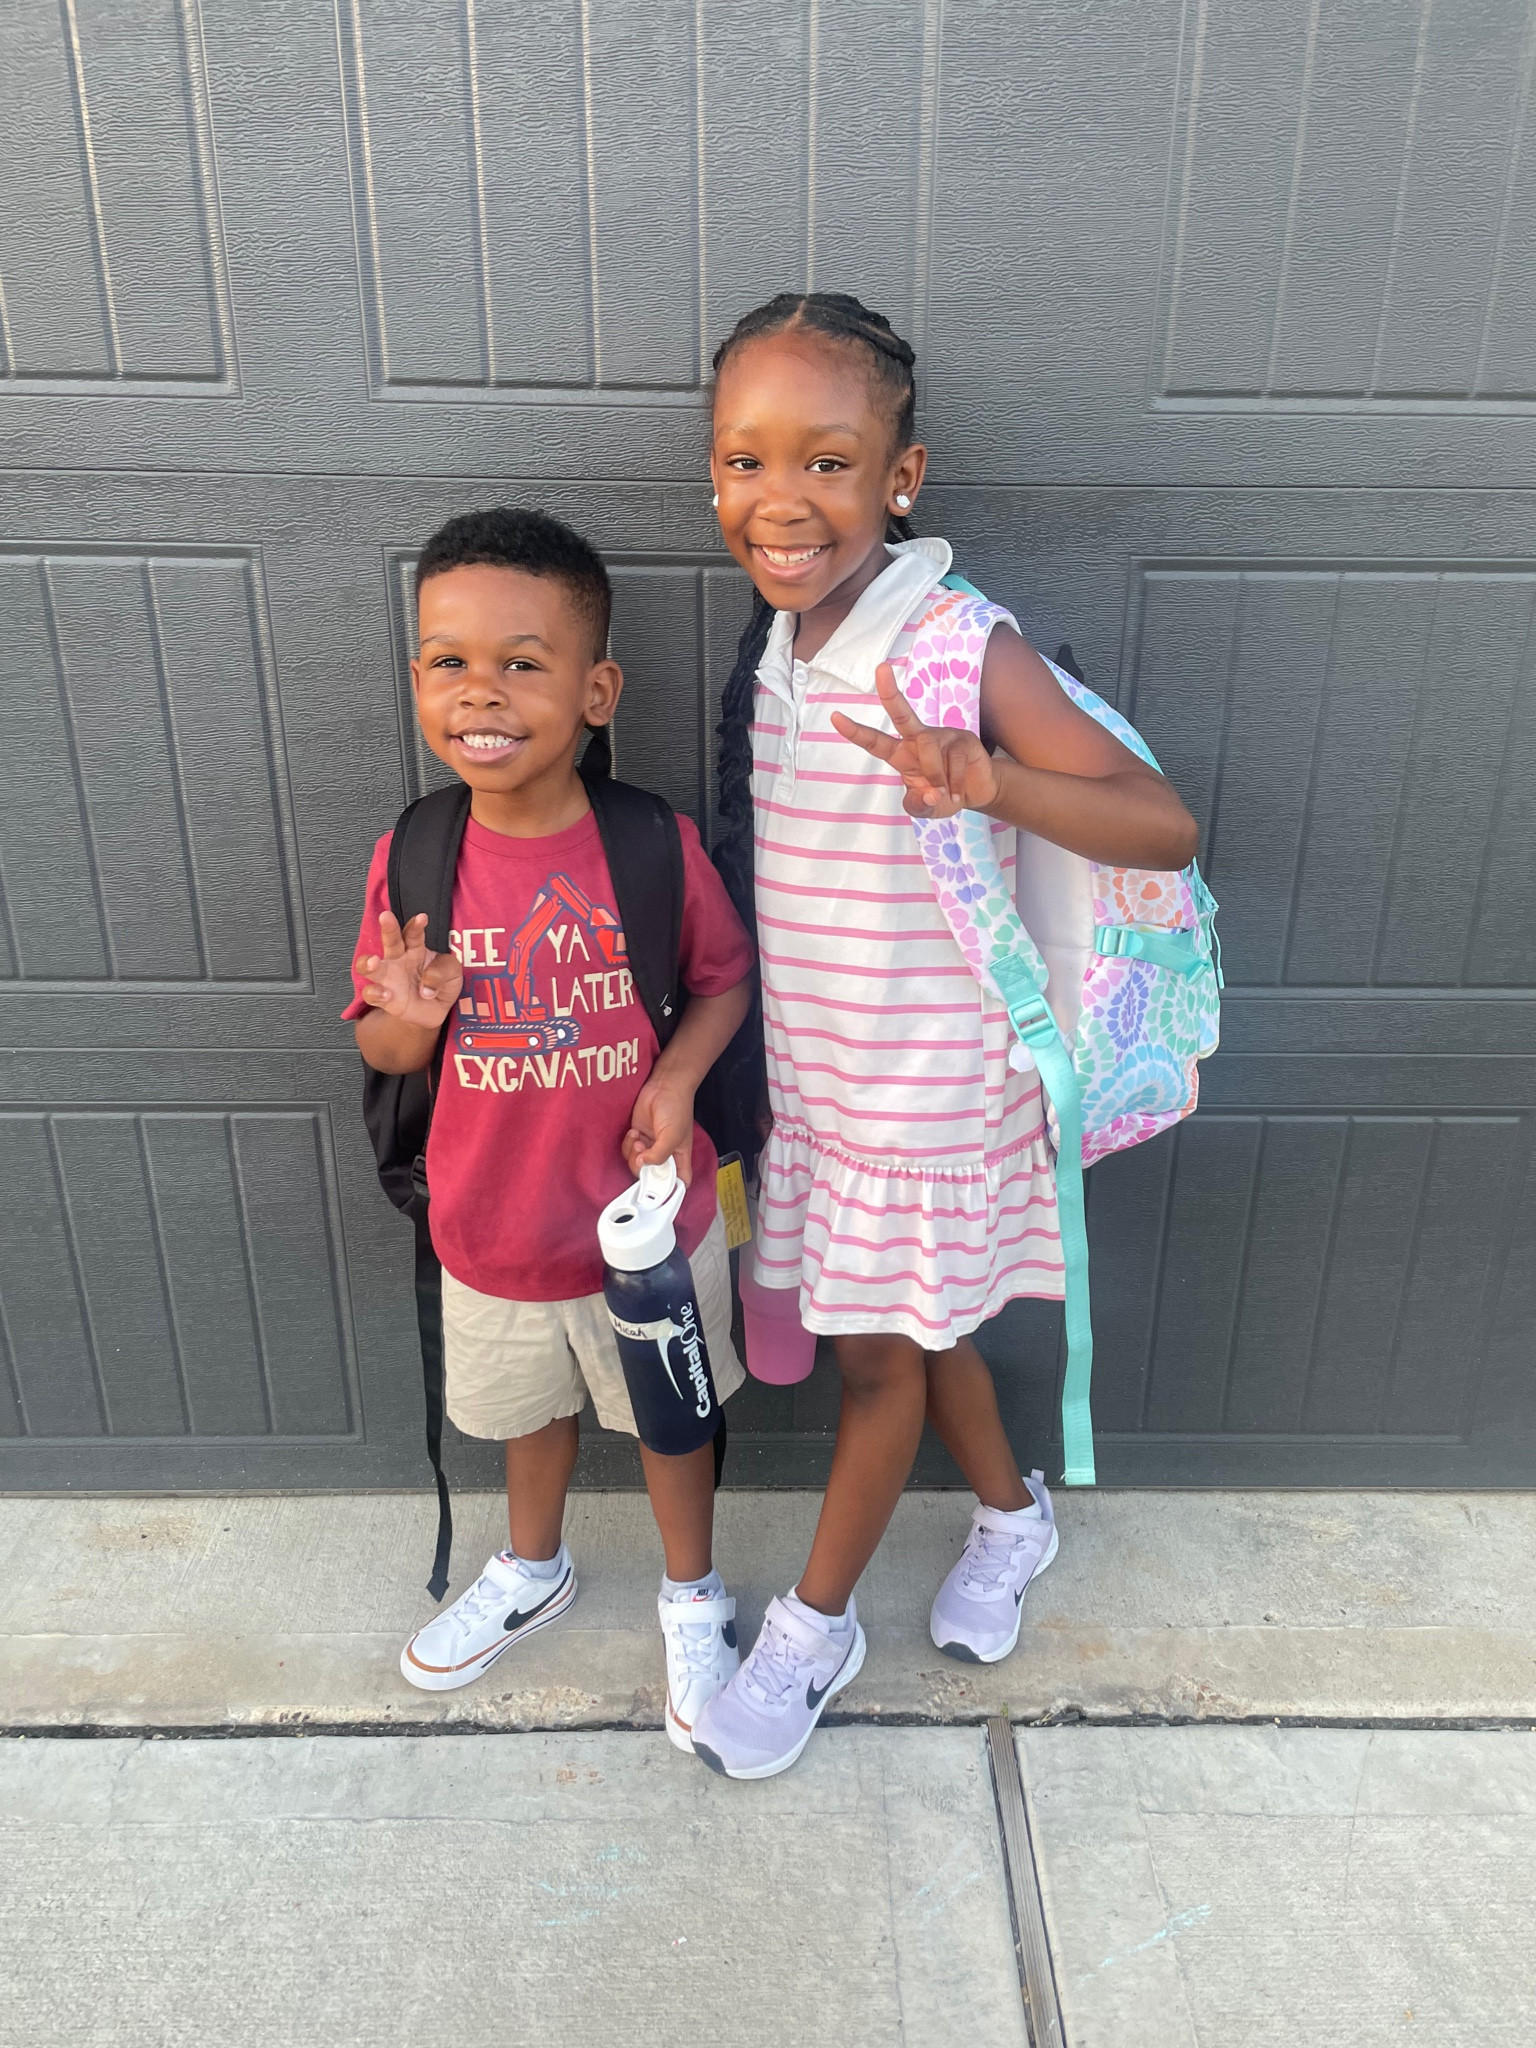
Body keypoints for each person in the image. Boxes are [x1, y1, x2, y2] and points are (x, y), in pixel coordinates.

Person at [691, 293, 1199, 1780]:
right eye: (743, 461)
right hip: (835, 1088)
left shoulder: (954, 641)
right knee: (935, 1323)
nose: (781, 501)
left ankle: (813, 1628)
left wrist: (986, 778)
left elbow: (1157, 824)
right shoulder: (782, 644)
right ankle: (1013, 1515)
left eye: (829, 462)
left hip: (934, 1088)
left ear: (901, 479)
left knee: (881, 1366)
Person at [344, 508, 754, 1752]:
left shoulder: (648, 843)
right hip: (491, 1225)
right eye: (449, 660)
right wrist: (408, 1022)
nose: (482, 690)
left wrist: (677, 1081)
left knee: (672, 1420)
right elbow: (376, 1043)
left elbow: (725, 981)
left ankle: (694, 1593)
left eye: (523, 661)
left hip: (652, 1228)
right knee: (530, 1411)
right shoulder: (416, 853)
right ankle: (534, 1564)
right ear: (417, 678)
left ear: (595, 688)